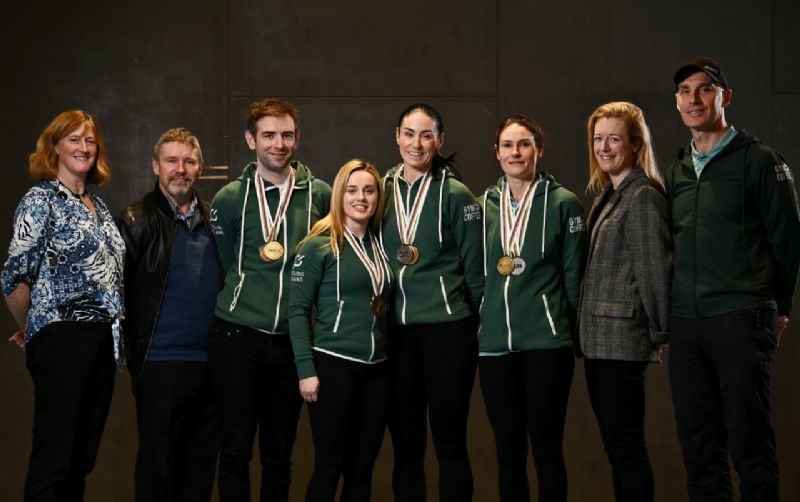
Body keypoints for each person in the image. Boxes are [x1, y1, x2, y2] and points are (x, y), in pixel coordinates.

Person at [666, 57, 800, 501]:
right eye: (685, 91)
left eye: (704, 89)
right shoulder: (678, 169)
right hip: (687, 323)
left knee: (750, 441)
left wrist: (779, 308)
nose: (694, 99)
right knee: (699, 448)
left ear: (726, 97)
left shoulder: (761, 160)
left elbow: (788, 239)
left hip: (741, 316)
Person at [209, 98, 332, 502]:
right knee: (235, 452)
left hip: (290, 343)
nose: (278, 144)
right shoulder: (229, 198)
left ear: (296, 139)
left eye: (286, 135)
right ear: (250, 140)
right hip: (236, 338)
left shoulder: (320, 194)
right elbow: (227, 267)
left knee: (279, 457)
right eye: (268, 135)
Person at [2, 109, 125, 501]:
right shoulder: (41, 200)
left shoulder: (99, 206)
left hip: (102, 340)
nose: (84, 147)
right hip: (62, 338)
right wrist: (38, 328)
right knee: (54, 459)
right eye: (74, 139)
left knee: (80, 459)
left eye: (90, 141)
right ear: (54, 146)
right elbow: (14, 279)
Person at [478, 114, 587, 502]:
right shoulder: (483, 206)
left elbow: (575, 277)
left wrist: (570, 332)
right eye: (507, 145)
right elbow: (476, 275)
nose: (515, 152)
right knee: (508, 452)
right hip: (494, 347)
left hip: (547, 343)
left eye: (524, 144)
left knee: (546, 449)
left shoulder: (564, 203)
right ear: (497, 153)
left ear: (539, 150)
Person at [381, 103, 483, 502]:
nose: (416, 143)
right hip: (394, 333)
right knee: (406, 447)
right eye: (409, 133)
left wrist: (473, 329)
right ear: (397, 136)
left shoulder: (457, 195)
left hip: (448, 332)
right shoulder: (380, 187)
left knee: (449, 441)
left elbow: (475, 272)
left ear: (440, 141)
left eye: (426, 135)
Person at [116, 127, 222, 502]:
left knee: (199, 471)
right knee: (158, 471)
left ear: (200, 167)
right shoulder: (133, 220)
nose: (181, 169)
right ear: (155, 165)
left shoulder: (214, 219)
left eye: (189, 161)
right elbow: (115, 294)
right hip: (159, 364)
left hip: (210, 365)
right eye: (172, 160)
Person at [578, 102, 672, 502]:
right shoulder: (609, 195)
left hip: (622, 343)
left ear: (636, 145)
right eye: (598, 139)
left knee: (628, 450)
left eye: (614, 139)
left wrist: (660, 332)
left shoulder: (644, 197)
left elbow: (655, 272)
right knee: (616, 449)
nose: (604, 147)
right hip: (598, 343)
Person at [289, 159, 394, 502]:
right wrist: (306, 370)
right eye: (351, 190)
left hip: (377, 370)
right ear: (339, 194)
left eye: (368, 190)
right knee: (329, 466)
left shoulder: (380, 243)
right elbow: (298, 311)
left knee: (362, 469)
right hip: (334, 366)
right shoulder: (318, 245)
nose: (360, 197)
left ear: (378, 196)